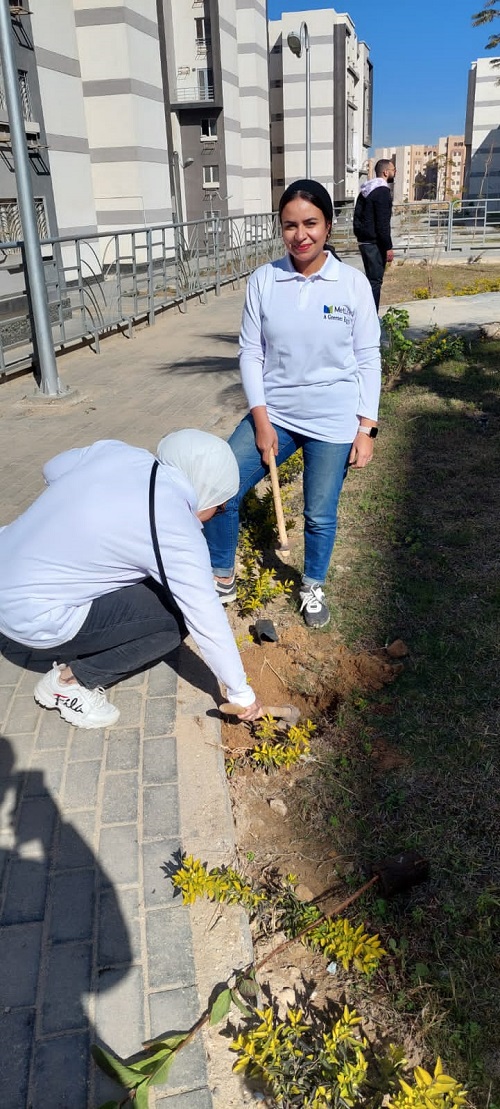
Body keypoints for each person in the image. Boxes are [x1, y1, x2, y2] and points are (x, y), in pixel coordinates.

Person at [203, 178, 381, 630]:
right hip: (276, 414)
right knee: (217, 486)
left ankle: (313, 583)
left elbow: (367, 357)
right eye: (289, 225)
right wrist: (261, 421)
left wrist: (366, 427)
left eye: (310, 223)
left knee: (319, 513)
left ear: (328, 224)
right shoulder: (266, 280)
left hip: (334, 421)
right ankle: (220, 575)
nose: (300, 235)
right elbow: (251, 352)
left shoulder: (352, 285)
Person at [0, 431, 263, 729]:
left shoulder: (119, 453)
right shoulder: (176, 530)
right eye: (221, 506)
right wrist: (241, 692)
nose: (217, 514)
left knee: (155, 583)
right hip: (32, 618)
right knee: (174, 621)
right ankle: (69, 683)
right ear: (207, 491)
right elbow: (205, 616)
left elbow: (52, 469)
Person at [353, 158, 396, 310]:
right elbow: (383, 224)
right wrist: (388, 247)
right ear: (386, 172)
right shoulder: (382, 192)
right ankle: (371, 318)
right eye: (393, 170)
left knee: (371, 280)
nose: (394, 172)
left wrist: (360, 234)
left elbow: (357, 216)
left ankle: (367, 315)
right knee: (375, 282)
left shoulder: (365, 191)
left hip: (365, 241)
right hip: (374, 243)